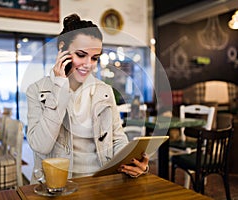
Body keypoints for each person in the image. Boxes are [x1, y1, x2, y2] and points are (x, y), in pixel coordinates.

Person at [26, 13, 149, 183]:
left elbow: (117, 139)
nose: (88, 64)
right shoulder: (37, 91)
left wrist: (133, 161)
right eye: (81, 55)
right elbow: (41, 146)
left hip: (100, 183)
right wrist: (59, 89)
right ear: (62, 49)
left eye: (94, 58)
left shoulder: (104, 91)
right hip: (56, 186)